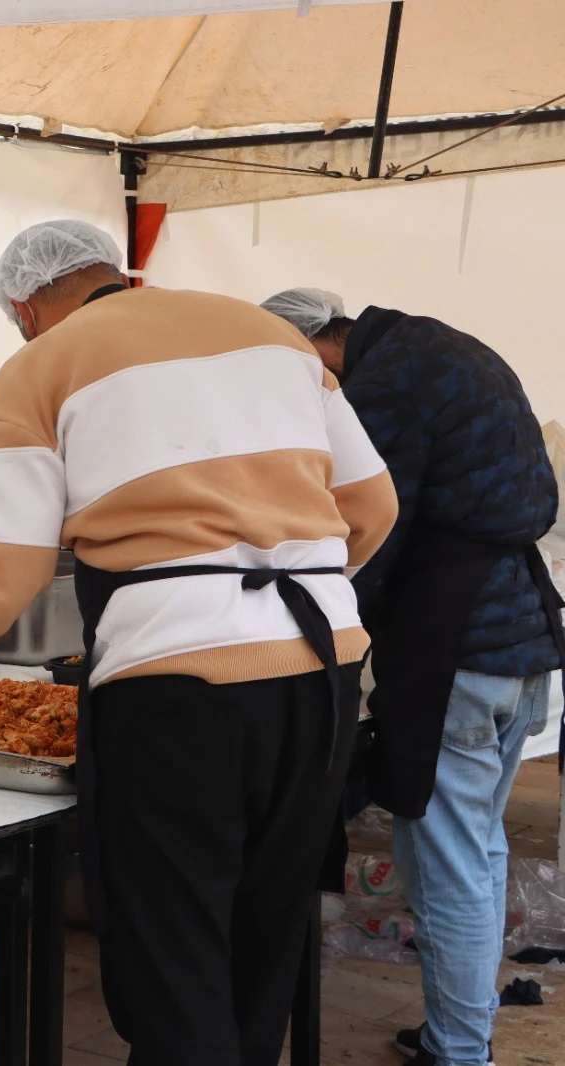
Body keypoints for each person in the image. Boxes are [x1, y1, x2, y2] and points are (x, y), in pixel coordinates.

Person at [0, 221, 399, 1066]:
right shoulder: (273, 337)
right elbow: (372, 508)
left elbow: (0, 572)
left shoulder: (42, 365)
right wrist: (292, 591)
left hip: (180, 694)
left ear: (27, 306)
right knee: (264, 932)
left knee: (174, 955)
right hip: (323, 672)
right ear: (112, 271)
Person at [262, 288, 565, 1066]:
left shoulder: (385, 381)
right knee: (477, 849)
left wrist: (301, 626)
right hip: (518, 639)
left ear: (305, 351)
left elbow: (366, 527)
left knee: (452, 859)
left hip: (459, 648)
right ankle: (458, 1033)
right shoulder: (437, 345)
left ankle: (460, 1051)